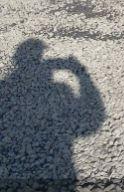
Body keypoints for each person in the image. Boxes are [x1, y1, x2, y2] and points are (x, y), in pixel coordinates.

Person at [0, 38, 105, 188]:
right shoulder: (62, 88)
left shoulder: (4, 85)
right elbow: (93, 124)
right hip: (63, 169)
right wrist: (82, 75)